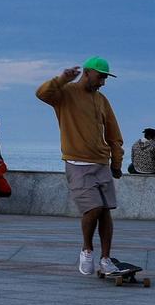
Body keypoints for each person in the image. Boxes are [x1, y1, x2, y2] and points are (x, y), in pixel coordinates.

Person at [36, 57, 126, 276]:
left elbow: (114, 134)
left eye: (105, 78)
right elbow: (42, 94)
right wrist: (61, 79)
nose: (103, 82)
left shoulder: (102, 100)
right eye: (100, 76)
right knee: (93, 208)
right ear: (87, 72)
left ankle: (105, 259)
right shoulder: (65, 94)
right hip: (77, 163)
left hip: (101, 163)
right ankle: (87, 250)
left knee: (105, 211)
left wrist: (117, 161)